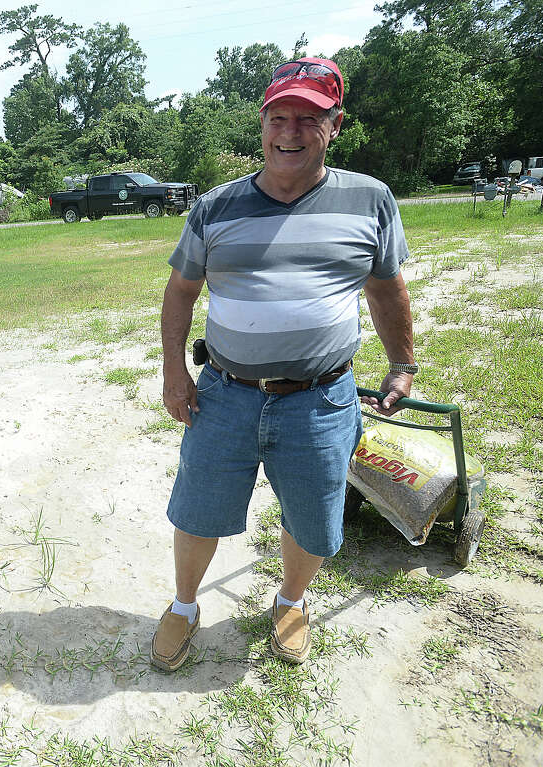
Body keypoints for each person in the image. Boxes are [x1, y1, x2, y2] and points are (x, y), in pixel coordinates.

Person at [151, 58, 416, 670]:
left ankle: (291, 601)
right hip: (225, 393)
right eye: (279, 117)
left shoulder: (370, 199)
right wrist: (174, 372)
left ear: (335, 124)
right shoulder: (215, 207)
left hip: (321, 398)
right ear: (263, 123)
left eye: (308, 118)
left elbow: (386, 288)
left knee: (312, 512)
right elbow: (181, 292)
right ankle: (184, 605)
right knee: (198, 507)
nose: (290, 132)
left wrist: (402, 363)